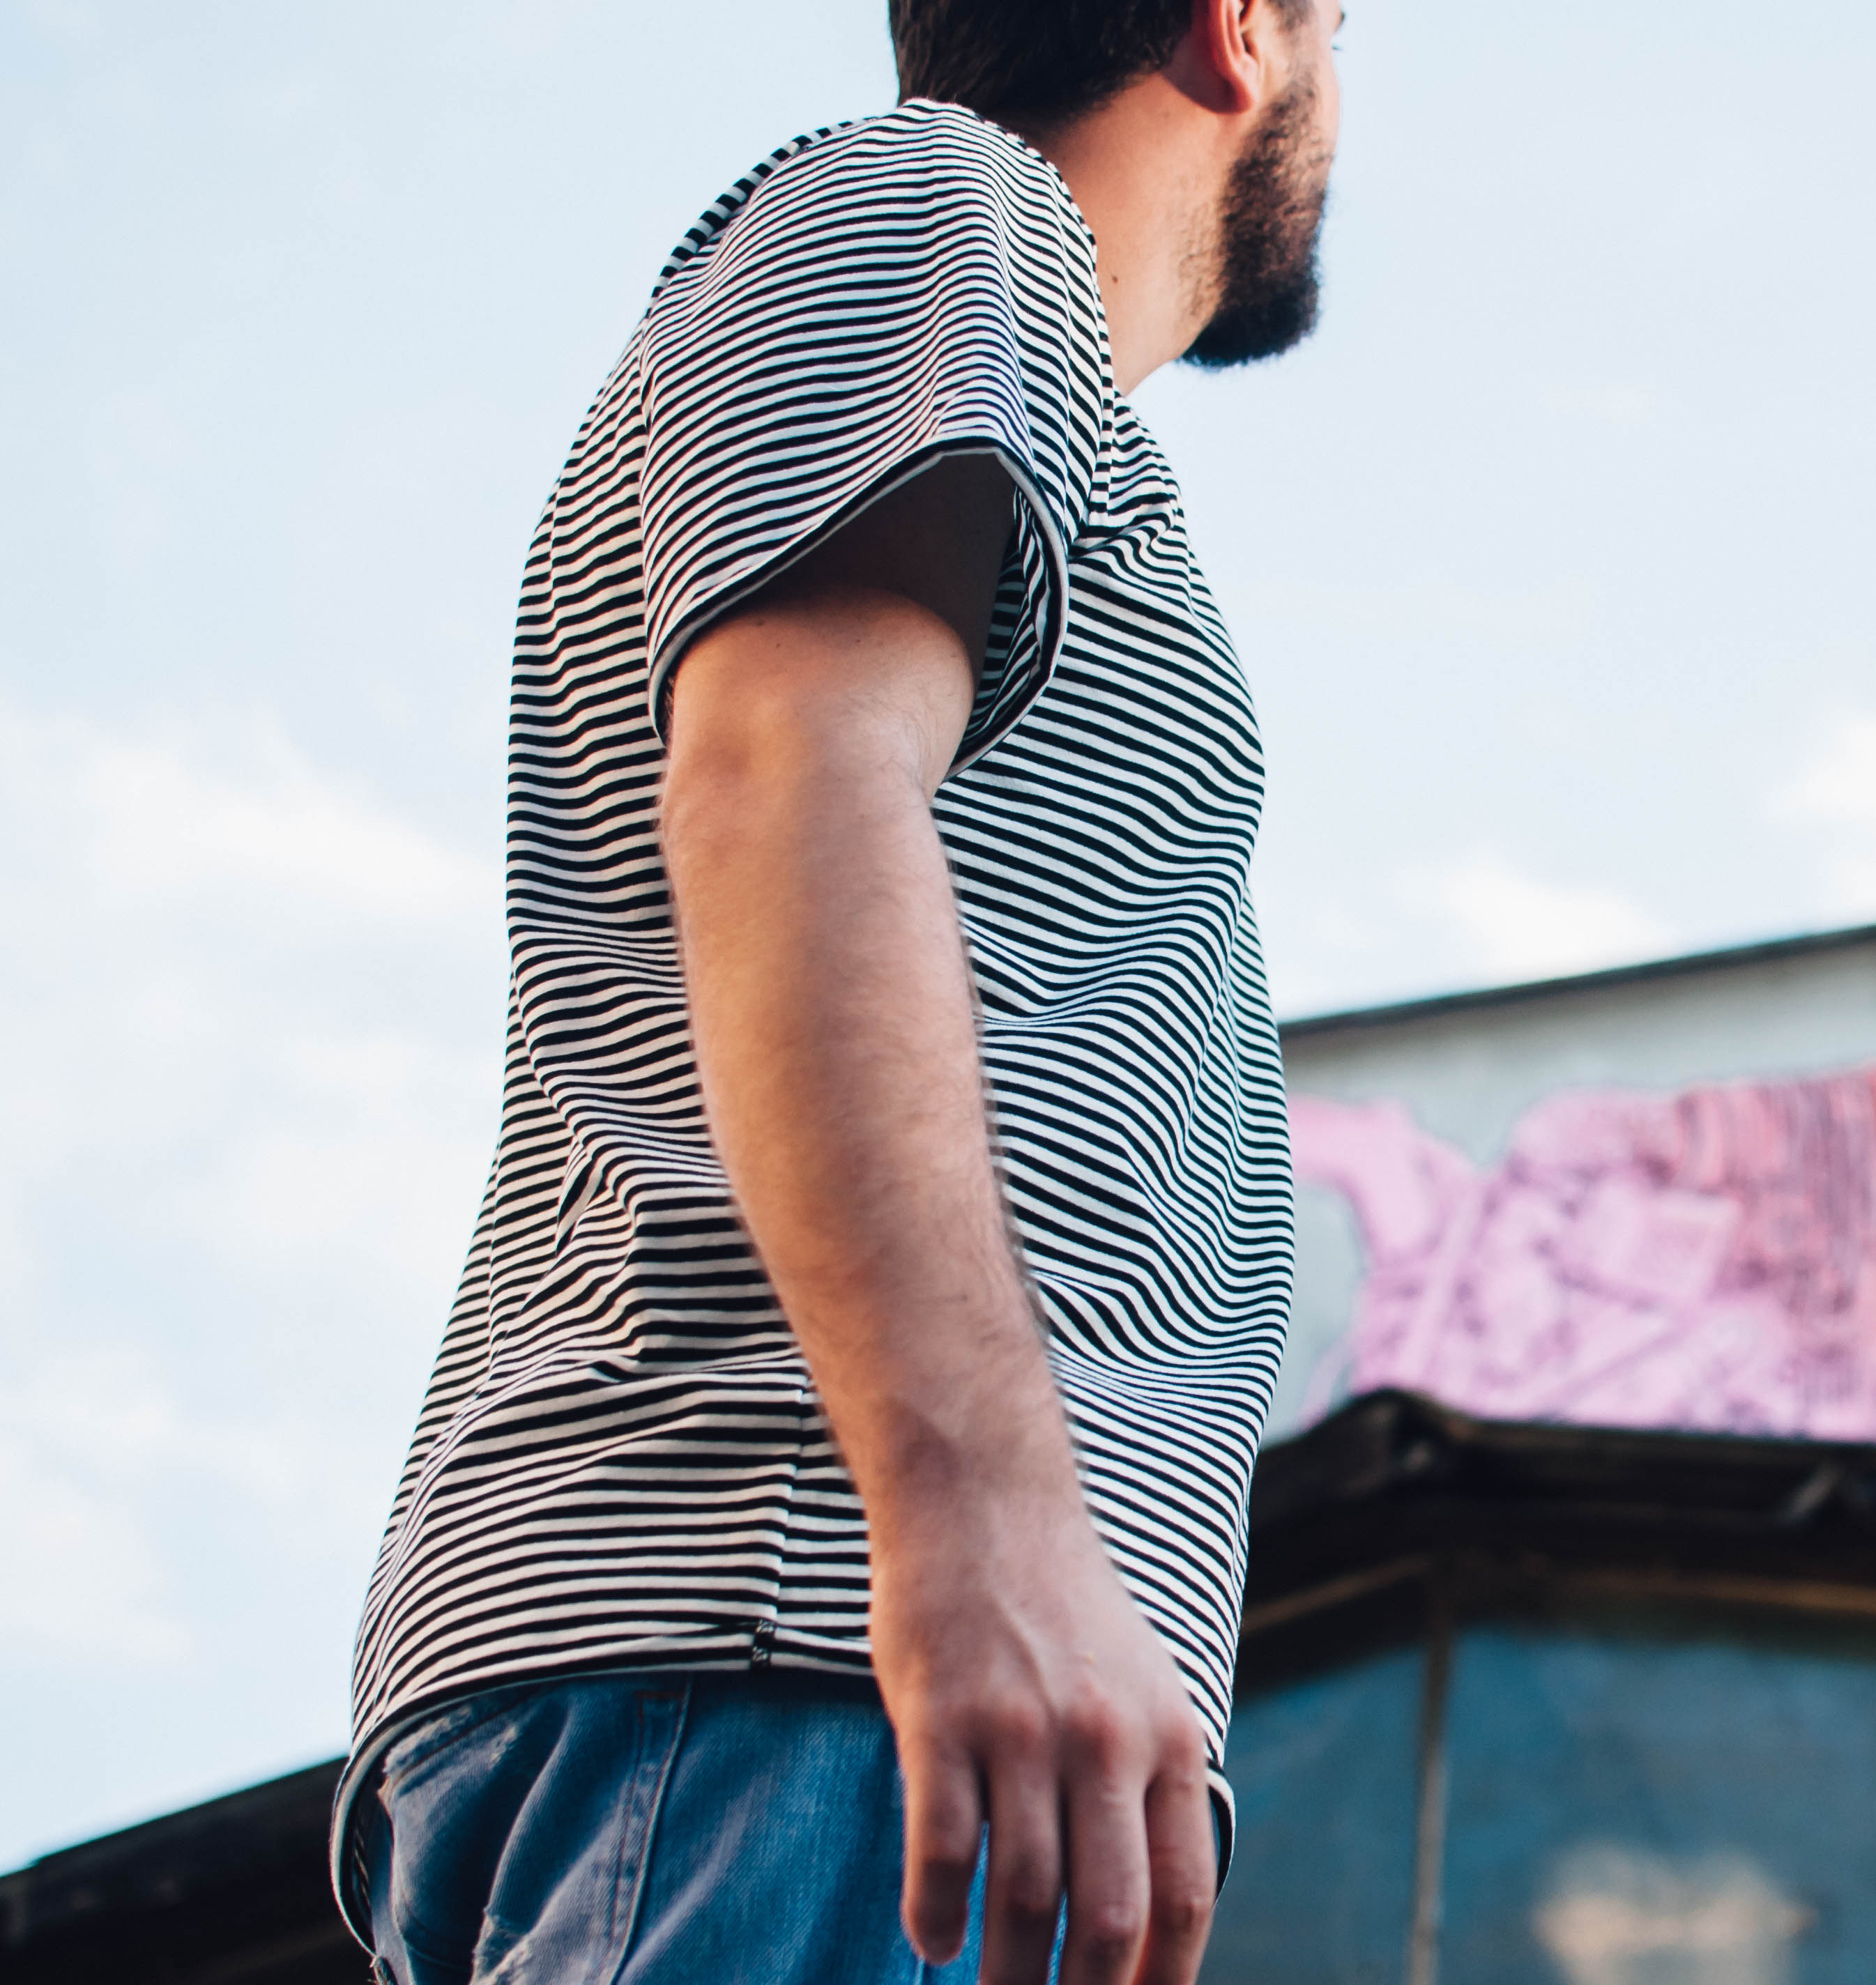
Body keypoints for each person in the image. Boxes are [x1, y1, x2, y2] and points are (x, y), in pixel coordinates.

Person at [330, 2, 1339, 1979]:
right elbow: (787, 776)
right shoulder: (944, 200)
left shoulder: (999, 340)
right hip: (792, 1643)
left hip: (834, 1680)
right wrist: (976, 1519)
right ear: (1238, 28)